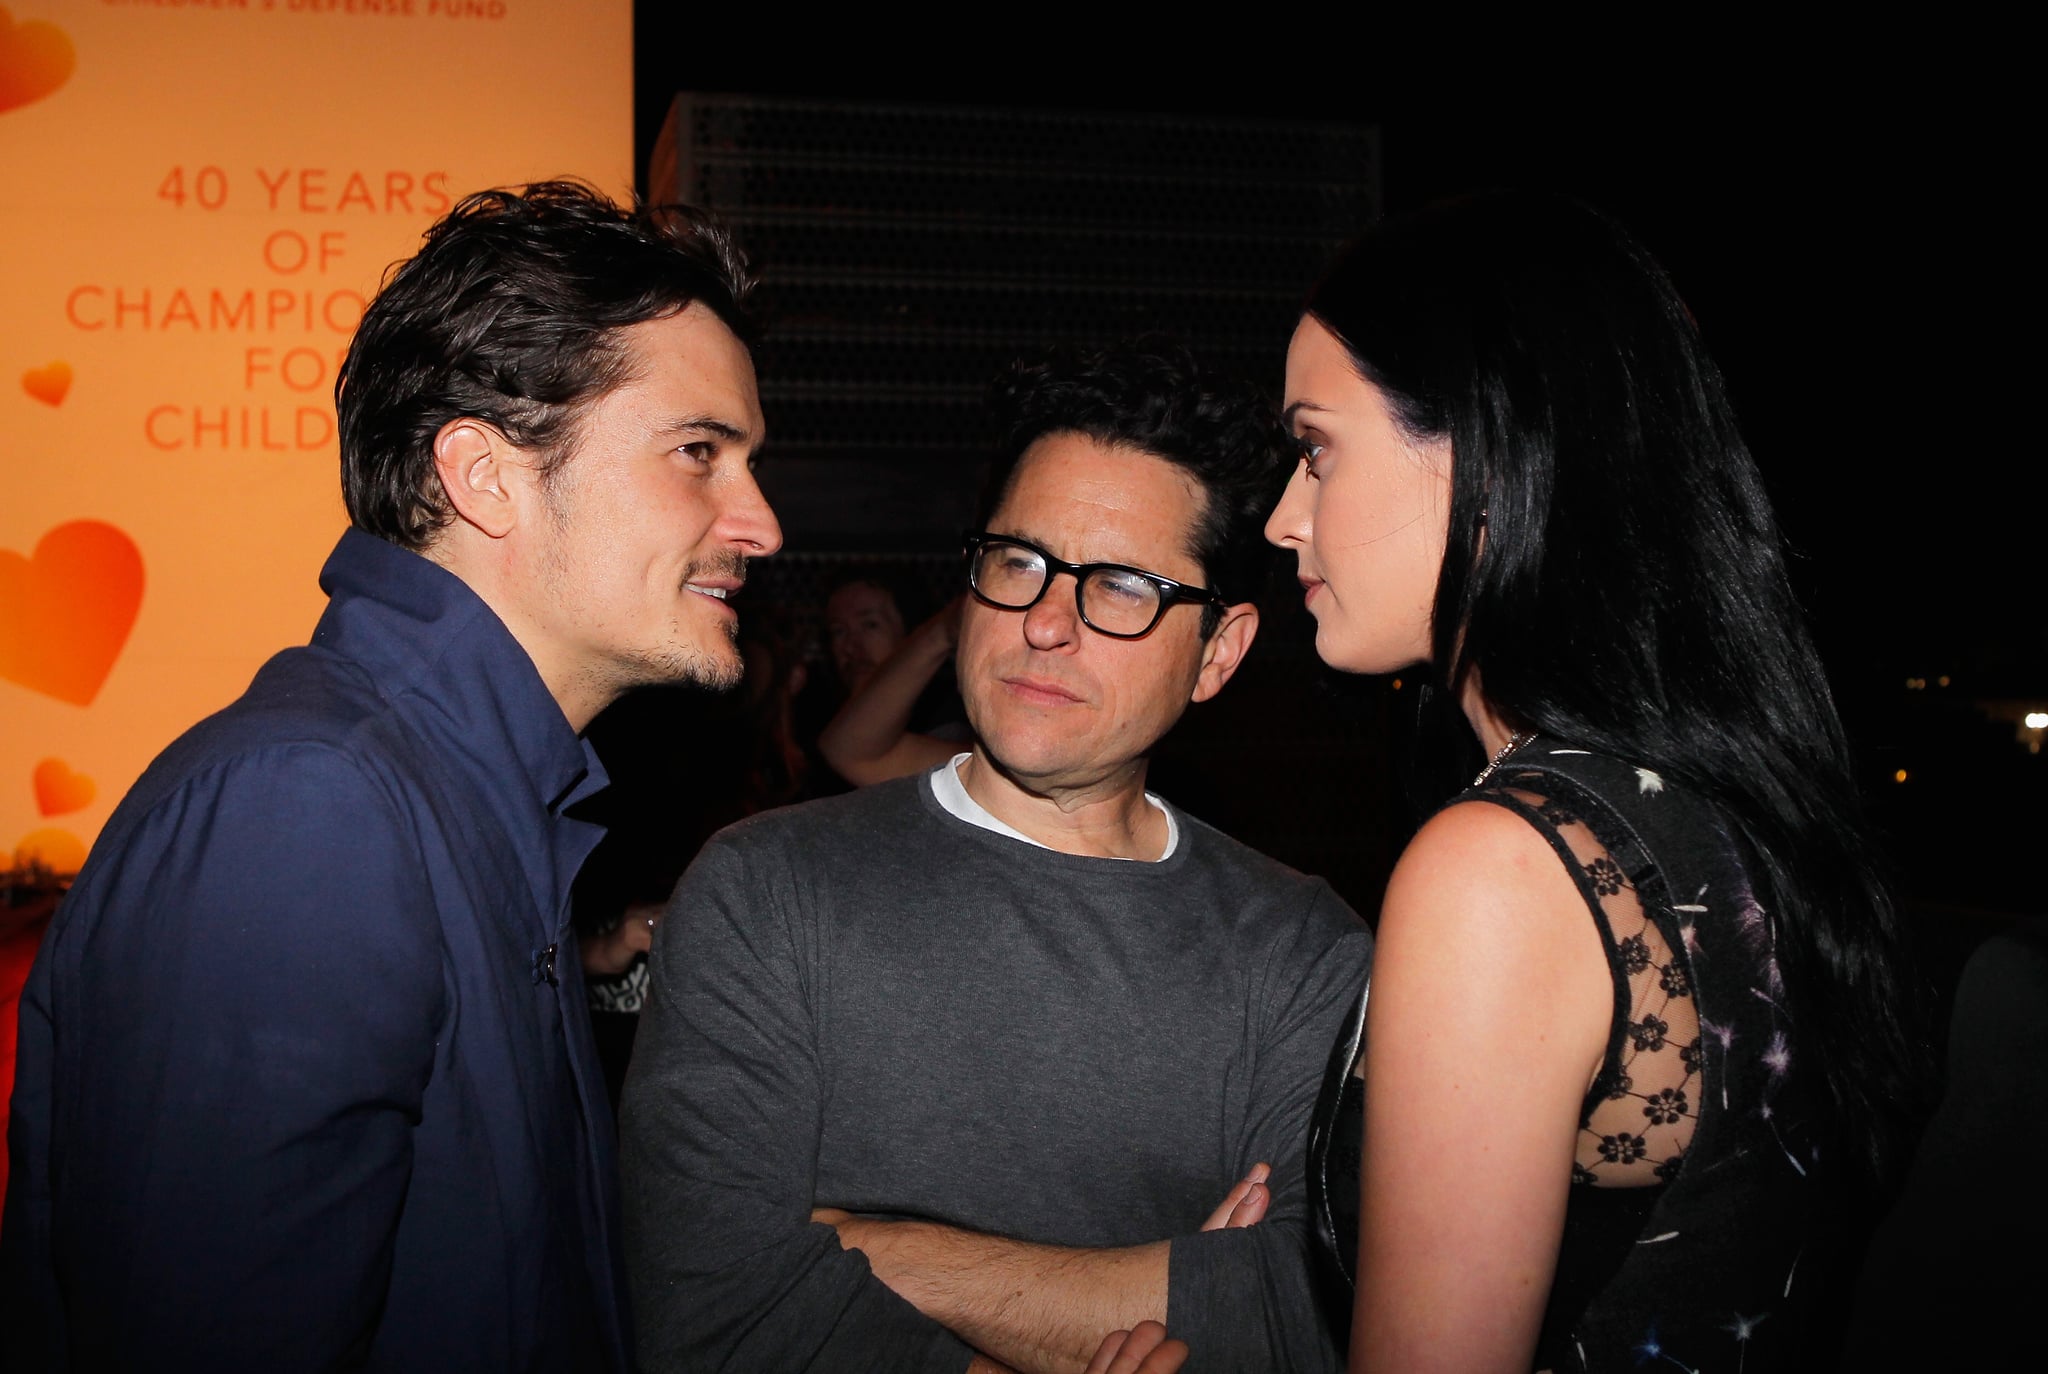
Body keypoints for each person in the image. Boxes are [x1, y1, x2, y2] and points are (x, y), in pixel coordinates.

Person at [1, 181, 781, 1370]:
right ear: (483, 476)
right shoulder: (309, 812)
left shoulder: (471, 799)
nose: (760, 522)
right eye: (697, 454)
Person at [1260, 192, 1925, 1372]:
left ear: (1479, 441)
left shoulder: (1505, 870)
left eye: (1314, 450)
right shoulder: (1705, 811)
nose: (1279, 519)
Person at [619, 343, 1374, 1373]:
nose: (1048, 623)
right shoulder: (767, 891)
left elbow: (1306, 1319)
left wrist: (875, 1249)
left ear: (1218, 653)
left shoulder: (1301, 951)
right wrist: (1171, 1278)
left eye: (1120, 587)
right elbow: (711, 1316)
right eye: (1019, 563)